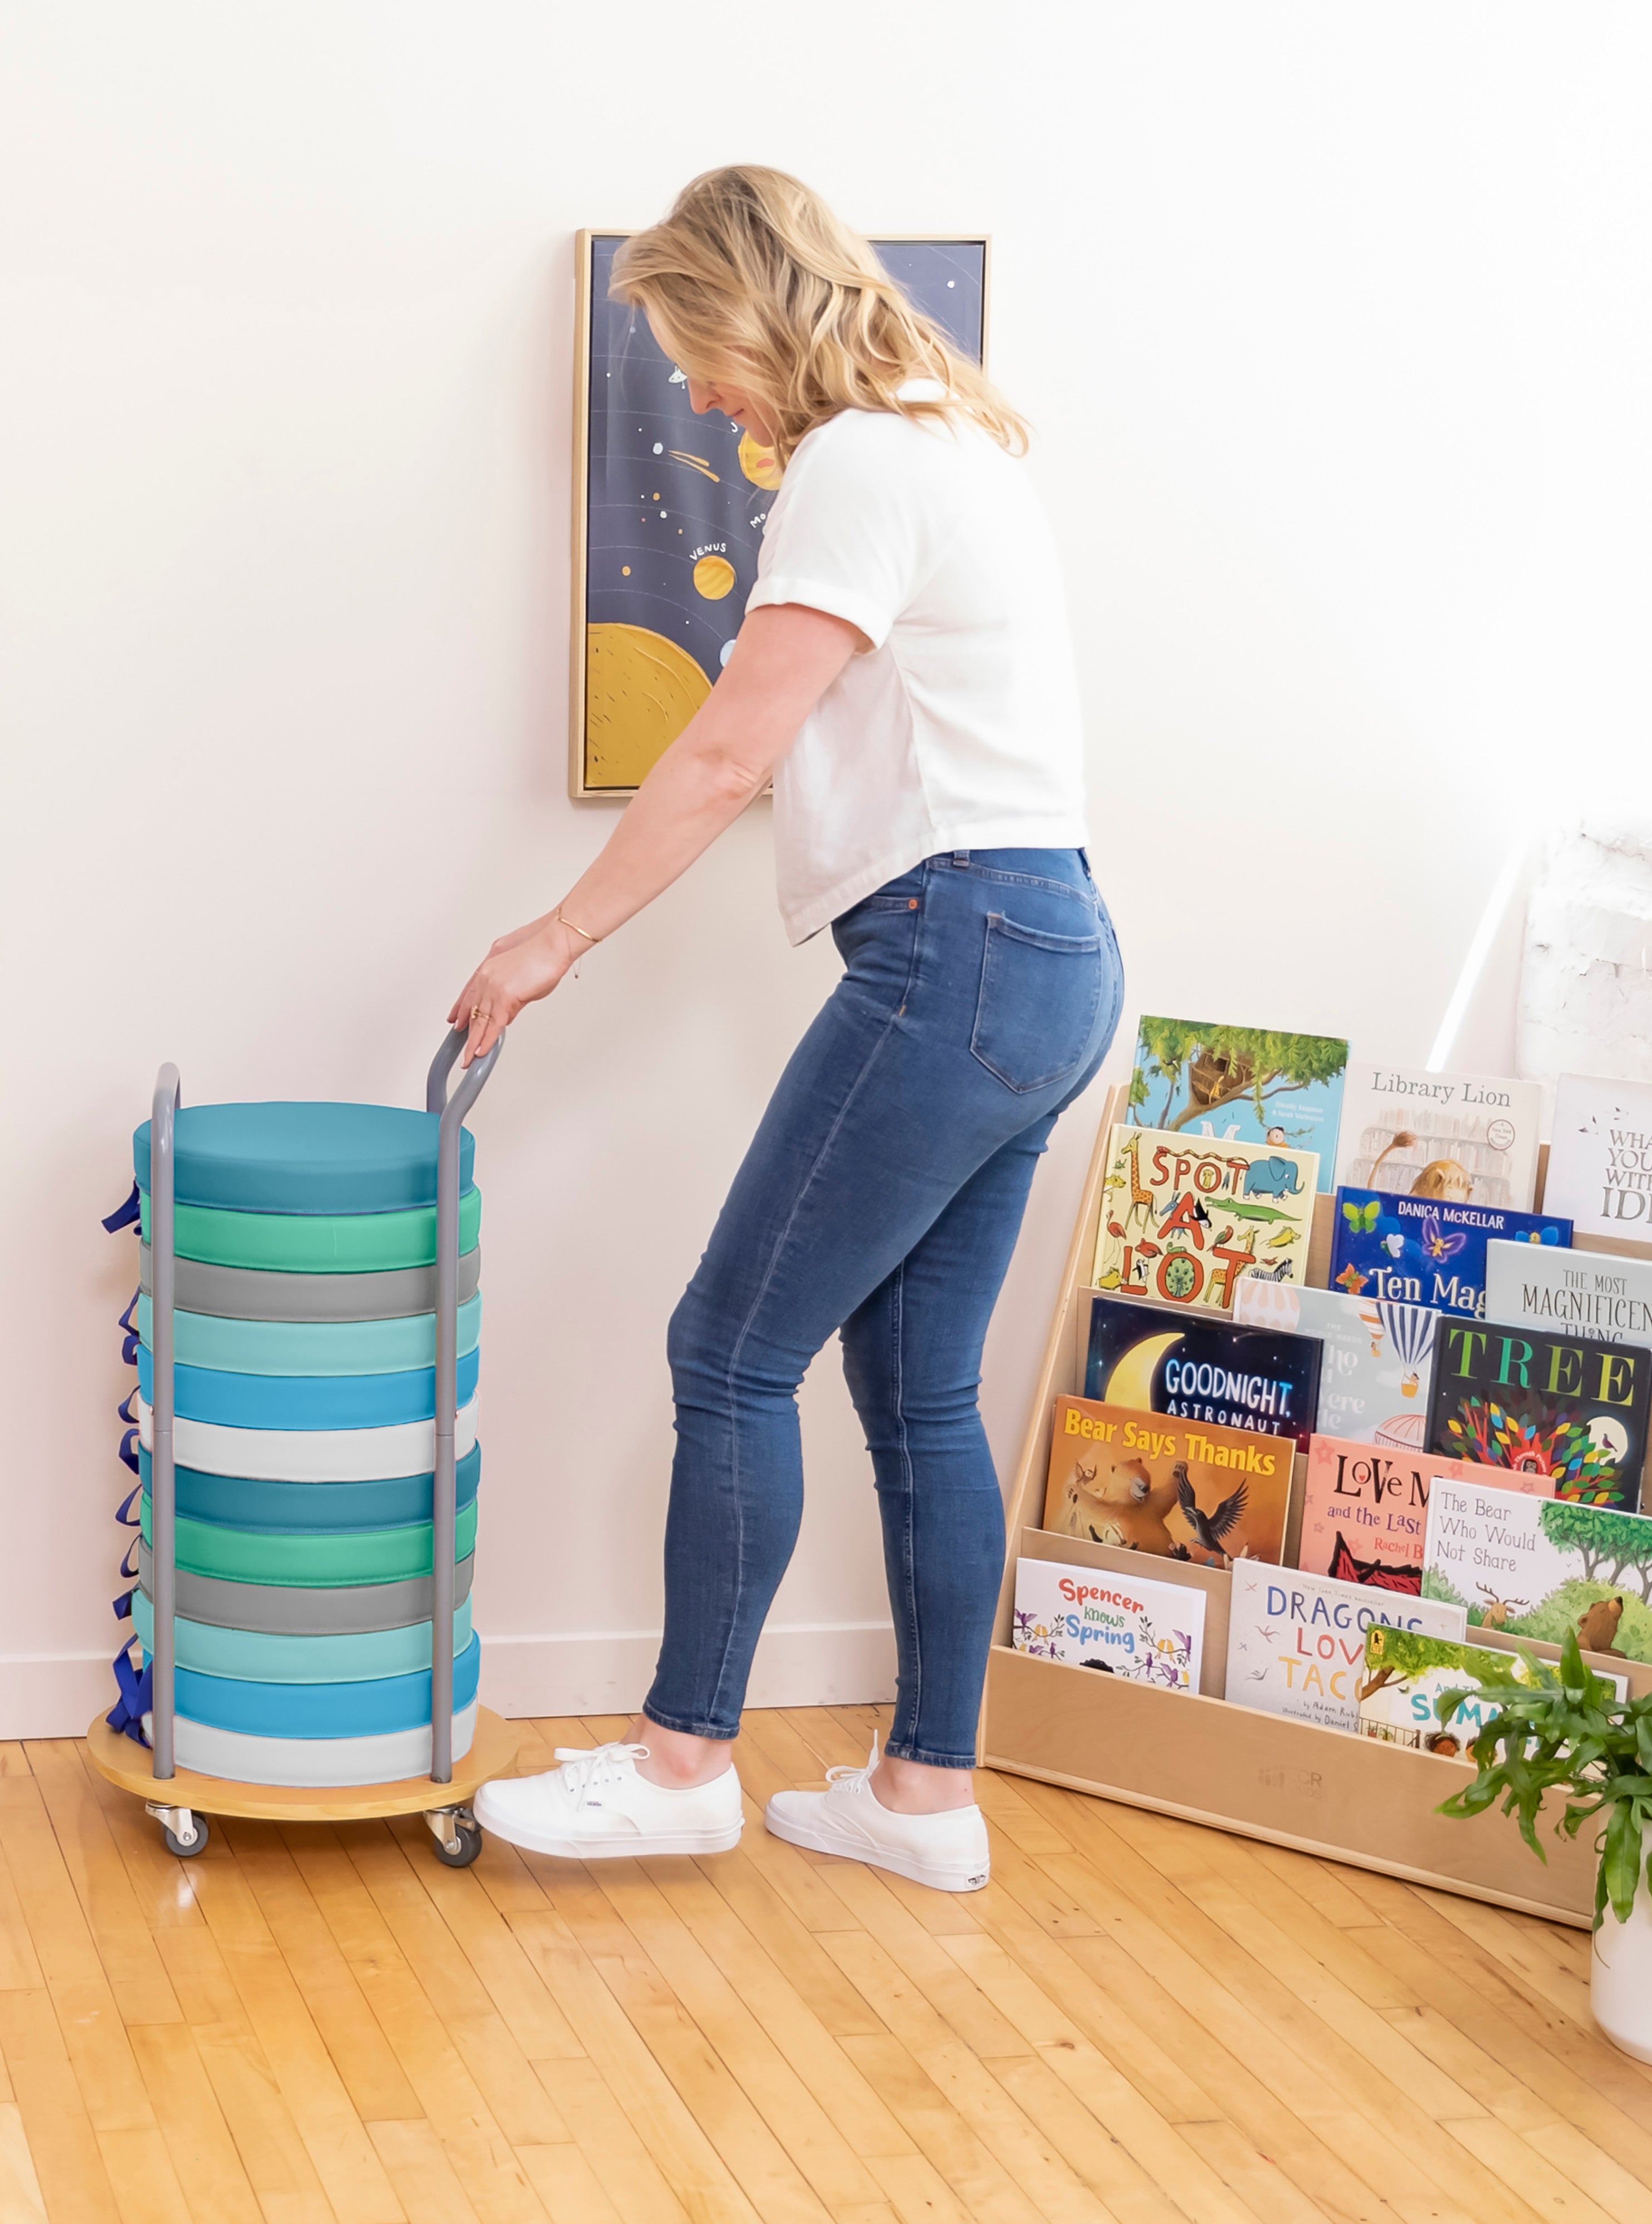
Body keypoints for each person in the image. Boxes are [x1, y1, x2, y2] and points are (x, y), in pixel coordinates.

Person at [455, 166, 1123, 1892]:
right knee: (918, 1390)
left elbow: (730, 749)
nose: (696, 393)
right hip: (1049, 951)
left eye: (699, 350)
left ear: (758, 311)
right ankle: (926, 1800)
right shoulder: (952, 443)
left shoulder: (859, 462)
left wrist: (555, 938)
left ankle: (683, 1762)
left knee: (727, 1350)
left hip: (957, 953)